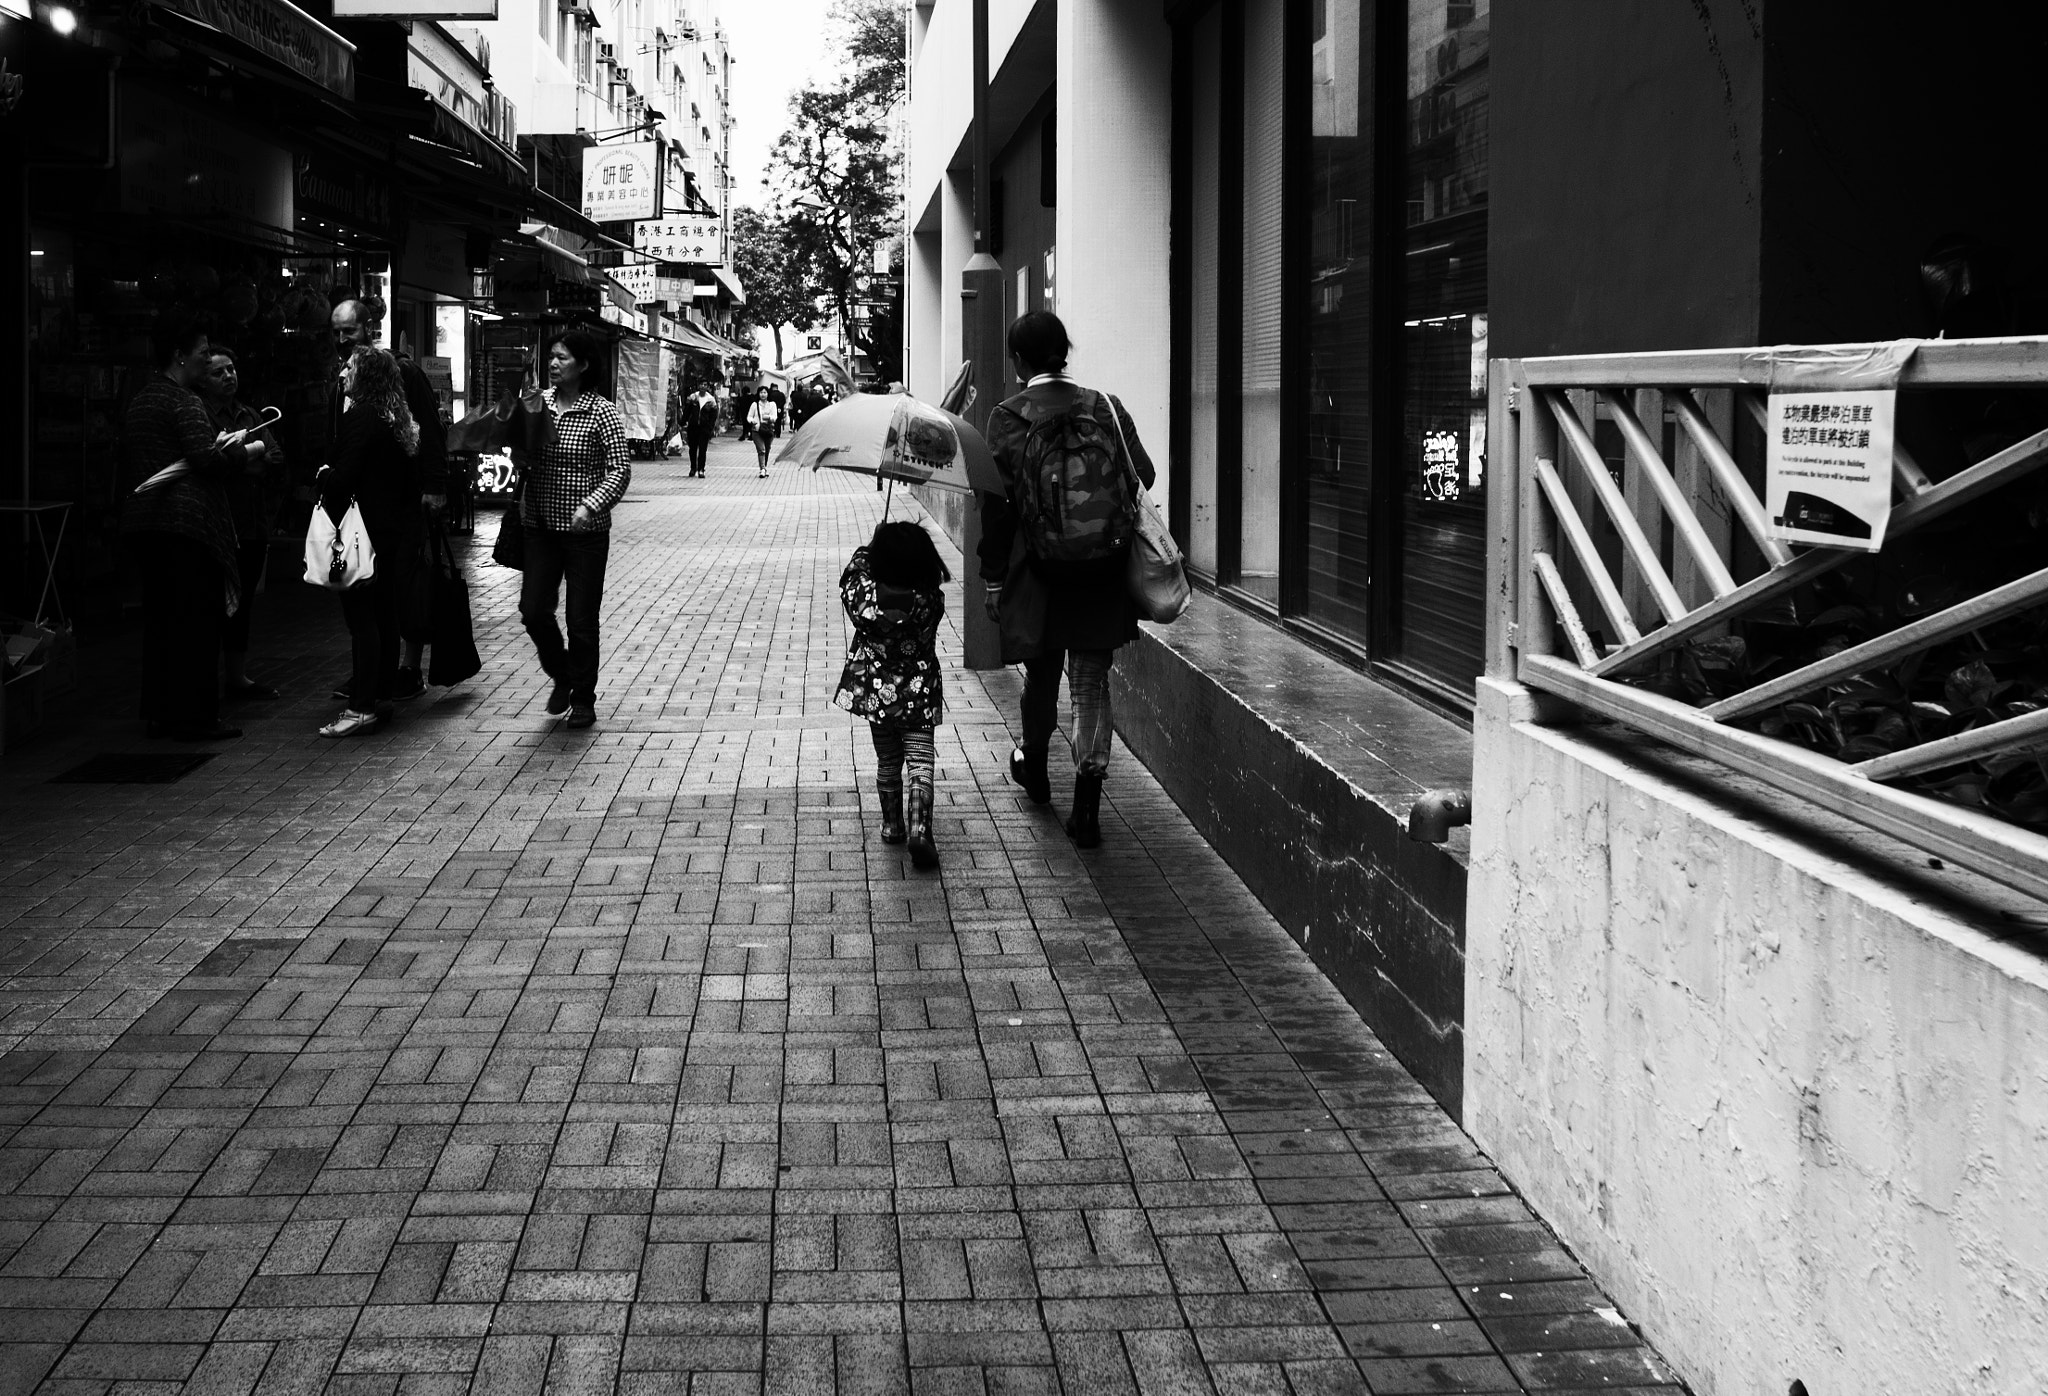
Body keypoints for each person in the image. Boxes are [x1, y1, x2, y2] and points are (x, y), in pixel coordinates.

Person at [978, 310, 1157, 848]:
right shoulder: (1105, 407)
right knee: (1090, 683)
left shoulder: (1008, 417)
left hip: (1039, 573)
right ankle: (1087, 807)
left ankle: (1034, 768)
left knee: (1043, 676)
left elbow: (997, 509)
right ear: (1066, 351)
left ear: (1018, 361)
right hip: (1103, 571)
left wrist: (992, 580)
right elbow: (1142, 474)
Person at [120, 313, 265, 742]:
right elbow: (207, 459)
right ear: (180, 356)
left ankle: (161, 712)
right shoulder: (185, 402)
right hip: (187, 527)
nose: (207, 360)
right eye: (202, 354)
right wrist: (247, 449)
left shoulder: (143, 399)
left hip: (146, 524)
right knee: (196, 623)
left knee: (162, 622)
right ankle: (196, 716)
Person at [507, 328, 631, 730]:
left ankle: (582, 698)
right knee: (532, 611)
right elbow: (521, 452)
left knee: (581, 621)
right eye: (552, 357)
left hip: (585, 534)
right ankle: (561, 672)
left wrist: (590, 505)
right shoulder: (537, 404)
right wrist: (519, 455)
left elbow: (619, 470)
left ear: (583, 365)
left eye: (562, 358)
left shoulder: (602, 412)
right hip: (539, 526)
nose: (554, 364)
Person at [331, 298, 447, 699]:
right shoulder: (345, 379)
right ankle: (371, 674)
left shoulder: (399, 371)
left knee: (401, 584)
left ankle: (406, 669)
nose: (342, 341)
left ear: (368, 328)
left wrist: (434, 486)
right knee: (370, 588)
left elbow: (429, 431)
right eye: (337, 333)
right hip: (363, 506)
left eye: (349, 331)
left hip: (400, 500)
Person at [316, 347, 427, 738]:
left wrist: (324, 475)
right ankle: (380, 698)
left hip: (361, 536)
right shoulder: (395, 418)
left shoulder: (359, 417)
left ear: (366, 377)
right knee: (384, 616)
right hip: (389, 534)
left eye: (349, 367)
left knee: (362, 620)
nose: (342, 372)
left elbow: (343, 478)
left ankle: (360, 707)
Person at [834, 520, 951, 869]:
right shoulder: (929, 600)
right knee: (920, 763)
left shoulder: (865, 603)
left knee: (888, 762)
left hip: (877, 696)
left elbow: (850, 582)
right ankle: (920, 828)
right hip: (918, 696)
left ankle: (892, 824)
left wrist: (866, 554)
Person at [197, 346, 285, 702]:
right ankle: (206, 677)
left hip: (251, 525)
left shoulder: (250, 414)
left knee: (243, 603)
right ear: (203, 380)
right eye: (218, 372)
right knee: (212, 602)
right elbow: (212, 464)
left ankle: (237, 675)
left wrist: (248, 459)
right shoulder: (200, 414)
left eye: (231, 369)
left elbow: (277, 459)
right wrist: (250, 455)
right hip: (217, 524)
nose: (228, 376)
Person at [684, 382, 720, 478]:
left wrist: (710, 427)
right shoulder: (693, 397)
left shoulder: (710, 400)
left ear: (708, 387)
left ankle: (701, 469)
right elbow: (687, 411)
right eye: (701, 384)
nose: (703, 386)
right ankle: (693, 468)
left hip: (704, 428)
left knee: (702, 449)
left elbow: (714, 415)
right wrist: (683, 421)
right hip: (693, 427)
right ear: (698, 386)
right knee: (692, 449)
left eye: (705, 385)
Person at [745, 386, 782, 479]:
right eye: (761, 392)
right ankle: (762, 469)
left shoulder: (772, 404)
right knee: (761, 450)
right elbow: (749, 416)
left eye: (765, 392)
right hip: (757, 430)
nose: (763, 394)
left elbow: (775, 417)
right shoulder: (754, 404)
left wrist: (769, 417)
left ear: (768, 394)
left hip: (768, 430)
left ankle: (764, 468)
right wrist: (752, 421)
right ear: (758, 394)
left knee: (767, 450)